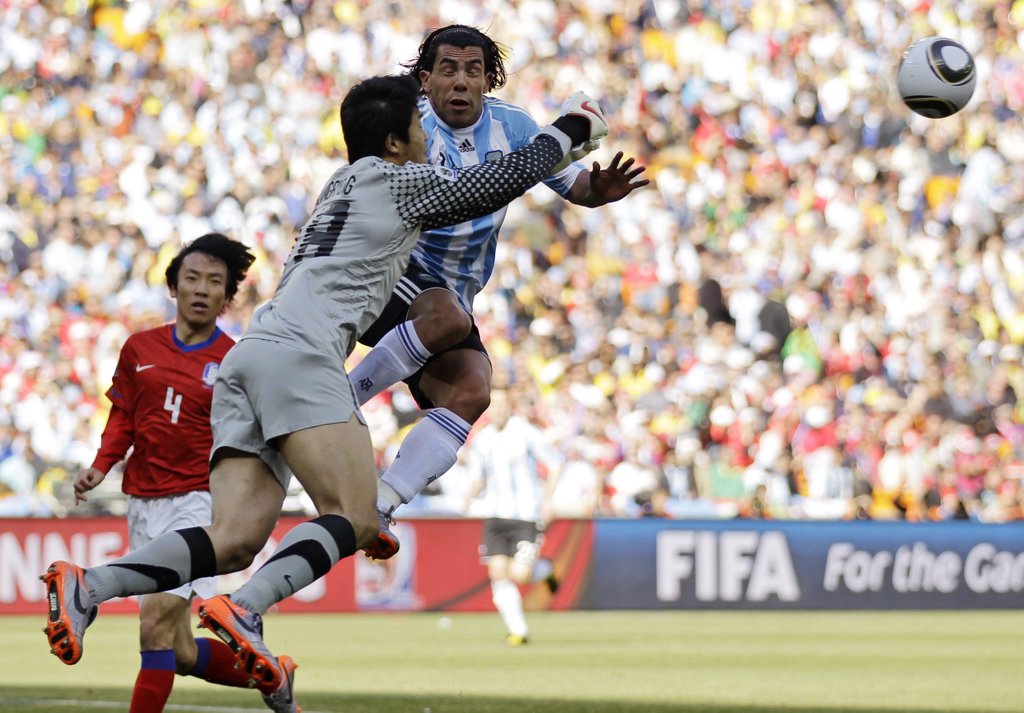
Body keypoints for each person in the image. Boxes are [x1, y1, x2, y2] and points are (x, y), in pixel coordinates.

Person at [41, 73, 609, 706]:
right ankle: (247, 608)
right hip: (303, 359)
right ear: (394, 142)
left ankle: (89, 586)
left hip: (250, 358)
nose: (427, 137)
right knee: (358, 517)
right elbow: (494, 183)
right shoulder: (401, 181)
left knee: (234, 539)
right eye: (417, 127)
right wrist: (572, 128)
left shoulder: (341, 182)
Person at [348, 25, 649, 559]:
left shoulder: (515, 127)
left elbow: (574, 184)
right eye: (448, 69)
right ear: (426, 80)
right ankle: (339, 401)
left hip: (449, 294)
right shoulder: (408, 129)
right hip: (389, 270)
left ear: (489, 80)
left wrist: (597, 192)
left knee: (472, 389)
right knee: (447, 317)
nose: (461, 81)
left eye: (473, 70)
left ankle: (382, 504)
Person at [68, 234, 293, 711]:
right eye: (192, 278)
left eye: (214, 281)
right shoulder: (138, 348)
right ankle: (274, 674)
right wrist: (100, 465)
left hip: (200, 503)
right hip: (143, 501)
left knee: (153, 629)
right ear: (173, 286)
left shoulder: (235, 360)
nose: (201, 289)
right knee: (180, 649)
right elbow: (124, 416)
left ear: (227, 295)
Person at [465, 386, 561, 646]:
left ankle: (545, 570)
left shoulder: (526, 432)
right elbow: (478, 477)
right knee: (498, 573)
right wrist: (468, 498)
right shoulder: (482, 440)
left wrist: (547, 501)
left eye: (502, 404)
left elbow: (555, 463)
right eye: (493, 405)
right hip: (495, 515)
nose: (497, 410)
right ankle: (518, 630)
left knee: (520, 574)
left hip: (526, 515)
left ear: (510, 407)